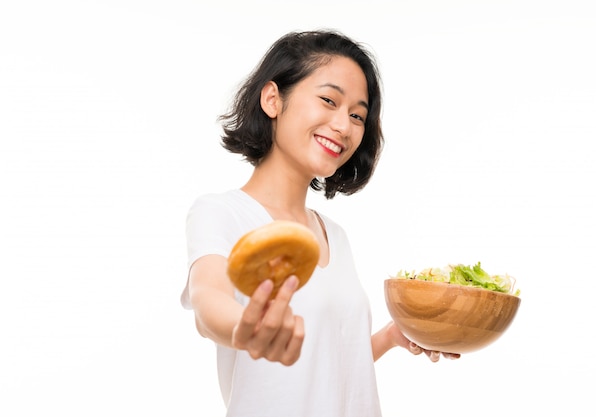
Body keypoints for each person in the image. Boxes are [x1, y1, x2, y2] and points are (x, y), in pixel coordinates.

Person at [180, 29, 460, 417]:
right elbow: (208, 300)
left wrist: (393, 337)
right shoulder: (221, 212)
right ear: (273, 99)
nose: (344, 126)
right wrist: (244, 327)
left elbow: (331, 366)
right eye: (328, 100)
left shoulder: (335, 236)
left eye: (357, 115)